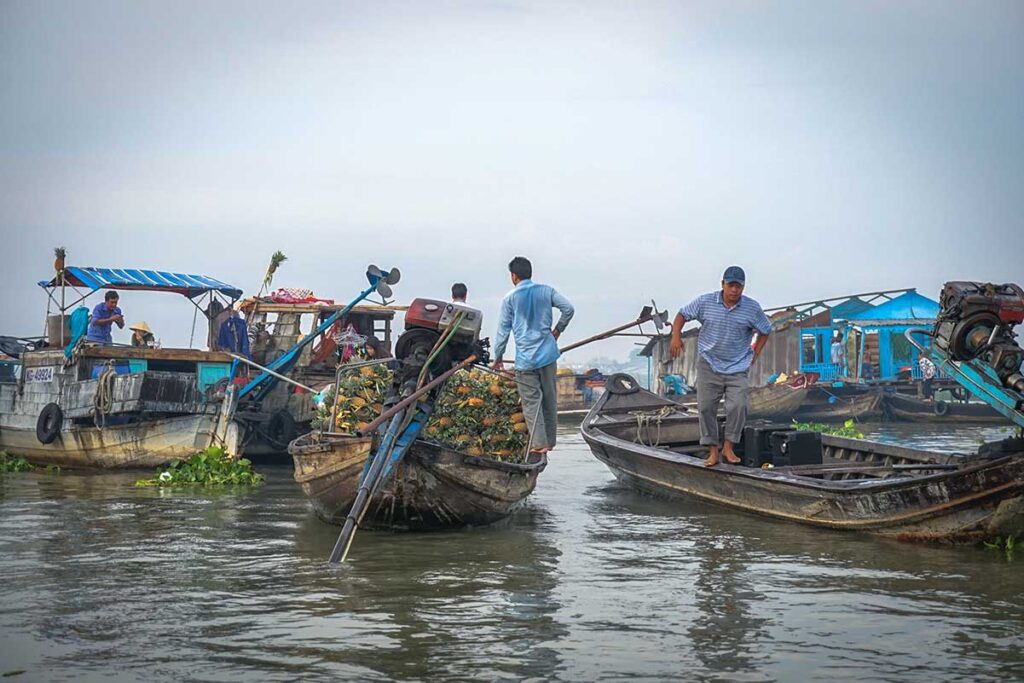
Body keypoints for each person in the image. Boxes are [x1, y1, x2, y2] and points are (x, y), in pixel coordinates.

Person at [670, 266, 772, 467]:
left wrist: (756, 351)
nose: (734, 290)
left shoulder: (752, 308)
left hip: (737, 366)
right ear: (722, 284)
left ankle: (728, 446)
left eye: (738, 286)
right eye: (731, 285)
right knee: (706, 408)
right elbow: (682, 315)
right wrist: (675, 336)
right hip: (709, 363)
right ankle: (713, 451)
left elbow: (766, 329)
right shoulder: (706, 302)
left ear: (743, 287)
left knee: (738, 406)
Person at [492, 257, 574, 455]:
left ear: (514, 276)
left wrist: (498, 357)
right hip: (547, 355)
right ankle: (551, 442)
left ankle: (539, 444)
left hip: (526, 360)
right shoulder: (546, 291)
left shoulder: (510, 299)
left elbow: (503, 331)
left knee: (531, 403)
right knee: (549, 399)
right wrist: (557, 331)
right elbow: (568, 309)